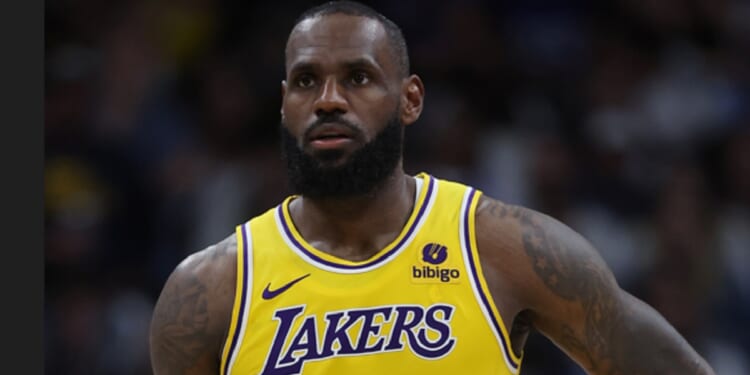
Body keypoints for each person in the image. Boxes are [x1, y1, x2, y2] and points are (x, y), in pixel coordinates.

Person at [149, 1, 716, 374]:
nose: (327, 99)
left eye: (358, 77)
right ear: (284, 105)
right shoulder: (211, 288)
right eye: (305, 81)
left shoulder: (504, 247)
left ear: (410, 100)